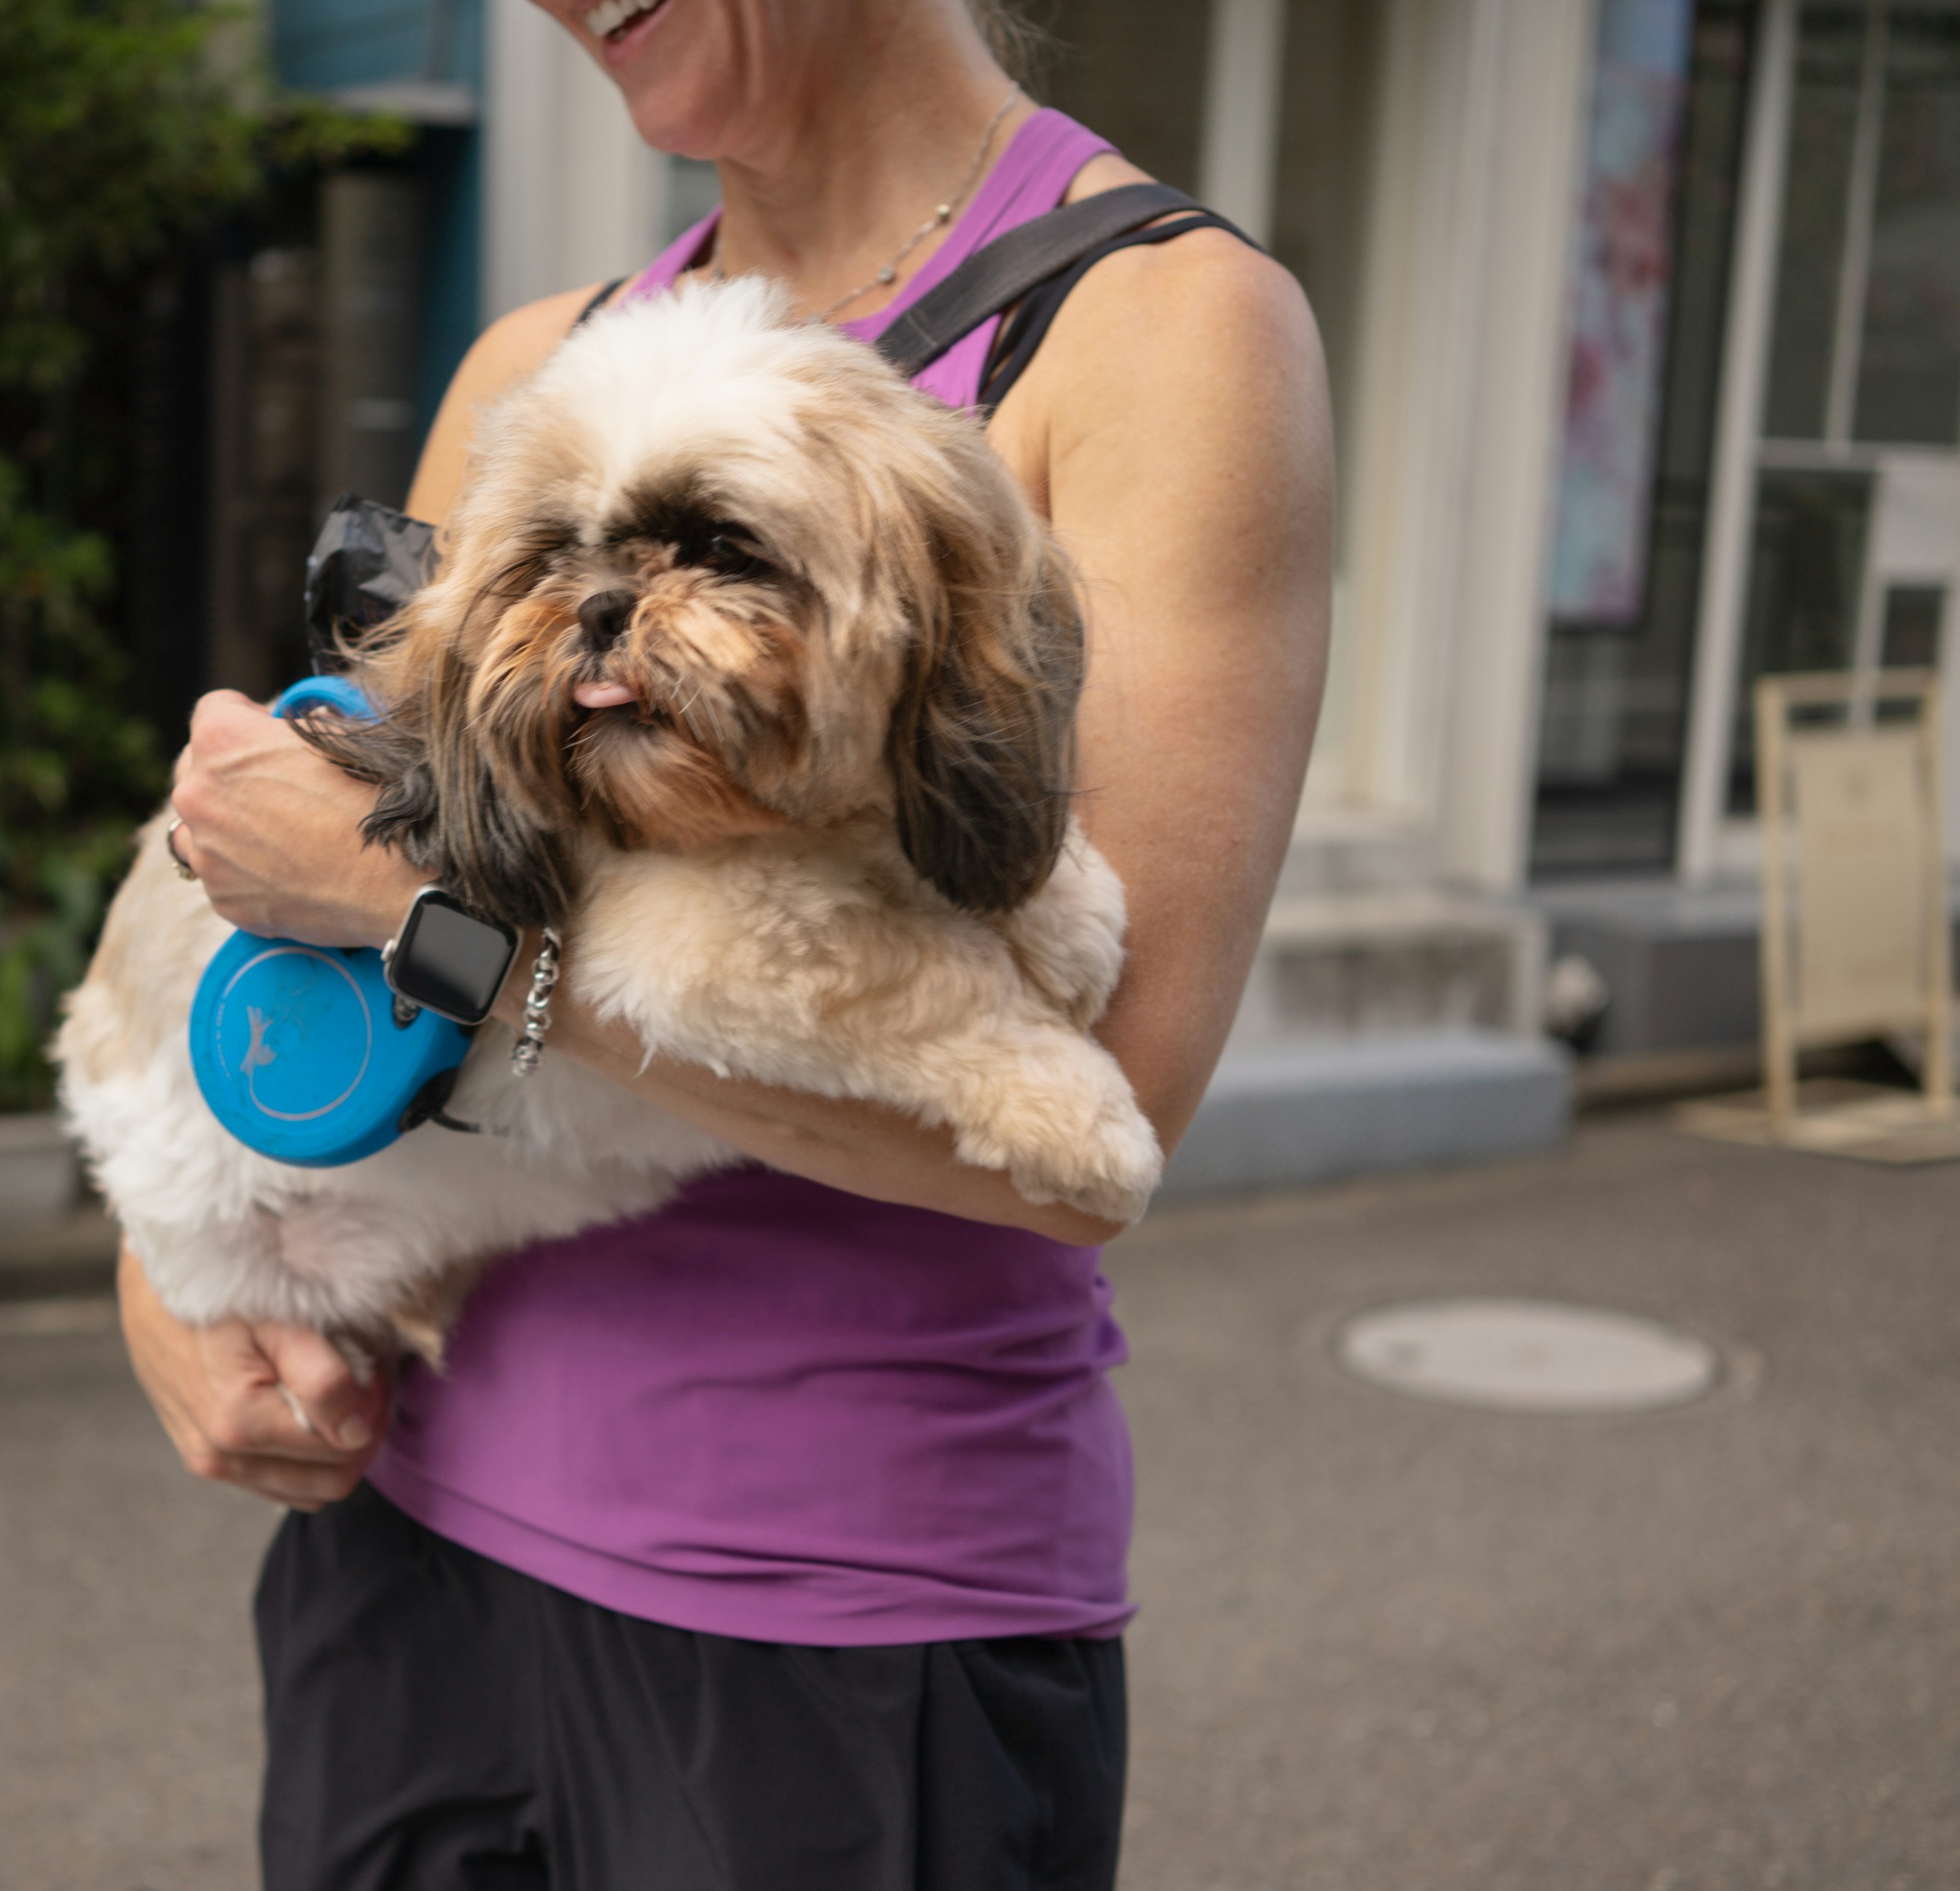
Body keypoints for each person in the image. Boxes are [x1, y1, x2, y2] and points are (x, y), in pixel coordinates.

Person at [134, 1, 1331, 1884]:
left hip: (847, 1614)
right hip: (407, 1540)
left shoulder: (1162, 332)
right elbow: (302, 894)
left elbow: (1093, 1131)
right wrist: (169, 1285)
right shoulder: (545, 367)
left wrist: (434, 923)